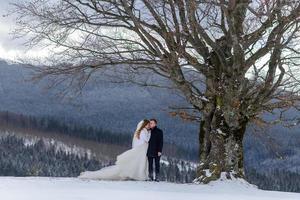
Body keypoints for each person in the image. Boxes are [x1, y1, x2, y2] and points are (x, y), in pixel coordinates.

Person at [78, 119, 151, 181]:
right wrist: (150, 133)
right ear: (144, 125)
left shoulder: (140, 131)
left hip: (141, 149)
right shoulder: (144, 131)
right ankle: (139, 175)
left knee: (138, 162)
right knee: (139, 162)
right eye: (147, 124)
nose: (149, 126)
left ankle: (138, 174)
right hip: (141, 149)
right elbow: (146, 140)